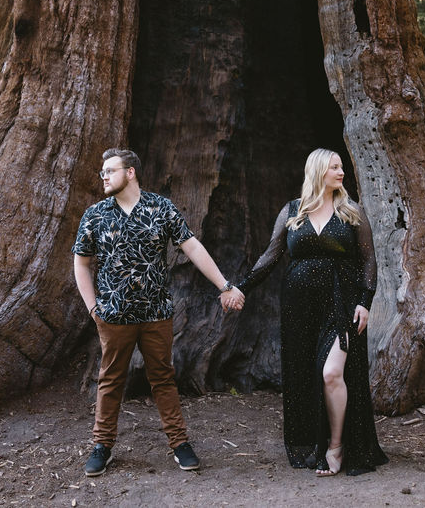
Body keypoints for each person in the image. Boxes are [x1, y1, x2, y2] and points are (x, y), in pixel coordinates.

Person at [73, 148, 245, 477]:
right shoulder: (96, 214)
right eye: (102, 172)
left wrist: (224, 285)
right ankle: (102, 446)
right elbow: (81, 262)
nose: (104, 177)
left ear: (131, 172)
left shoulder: (160, 208)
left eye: (110, 170)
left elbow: (192, 246)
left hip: (156, 315)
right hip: (114, 316)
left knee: (163, 379)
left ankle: (180, 443)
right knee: (110, 381)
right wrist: (93, 307)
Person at [228, 148, 388, 476]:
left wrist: (365, 302)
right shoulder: (293, 212)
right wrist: (241, 287)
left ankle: (337, 445)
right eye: (334, 167)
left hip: (340, 302)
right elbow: (270, 256)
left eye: (341, 167)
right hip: (299, 307)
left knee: (331, 372)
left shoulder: (351, 211)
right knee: (305, 374)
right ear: (318, 171)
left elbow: (369, 260)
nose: (341, 172)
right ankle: (313, 439)